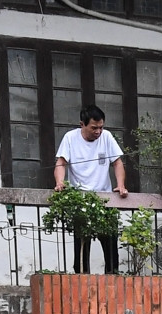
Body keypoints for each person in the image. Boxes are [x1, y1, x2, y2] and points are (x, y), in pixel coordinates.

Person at [54, 105, 128, 273]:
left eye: (101, 127)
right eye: (94, 127)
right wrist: (60, 182)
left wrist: (121, 185)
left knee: (111, 250)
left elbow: (117, 162)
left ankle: (112, 279)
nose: (98, 131)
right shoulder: (70, 138)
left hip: (105, 201)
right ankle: (81, 281)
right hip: (81, 202)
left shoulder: (107, 137)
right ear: (82, 124)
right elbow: (61, 162)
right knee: (81, 252)